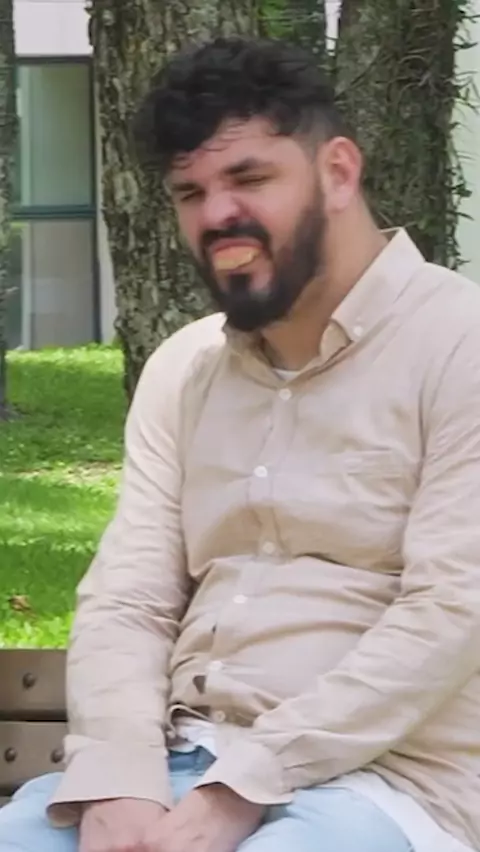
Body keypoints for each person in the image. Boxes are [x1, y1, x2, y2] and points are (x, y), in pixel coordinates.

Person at [2, 35, 480, 852]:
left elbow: (452, 611)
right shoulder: (191, 373)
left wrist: (242, 786)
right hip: (178, 763)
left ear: (338, 171)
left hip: (387, 789)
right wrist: (118, 777)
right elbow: (129, 599)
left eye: (251, 178)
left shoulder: (458, 345)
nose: (217, 214)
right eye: (190, 192)